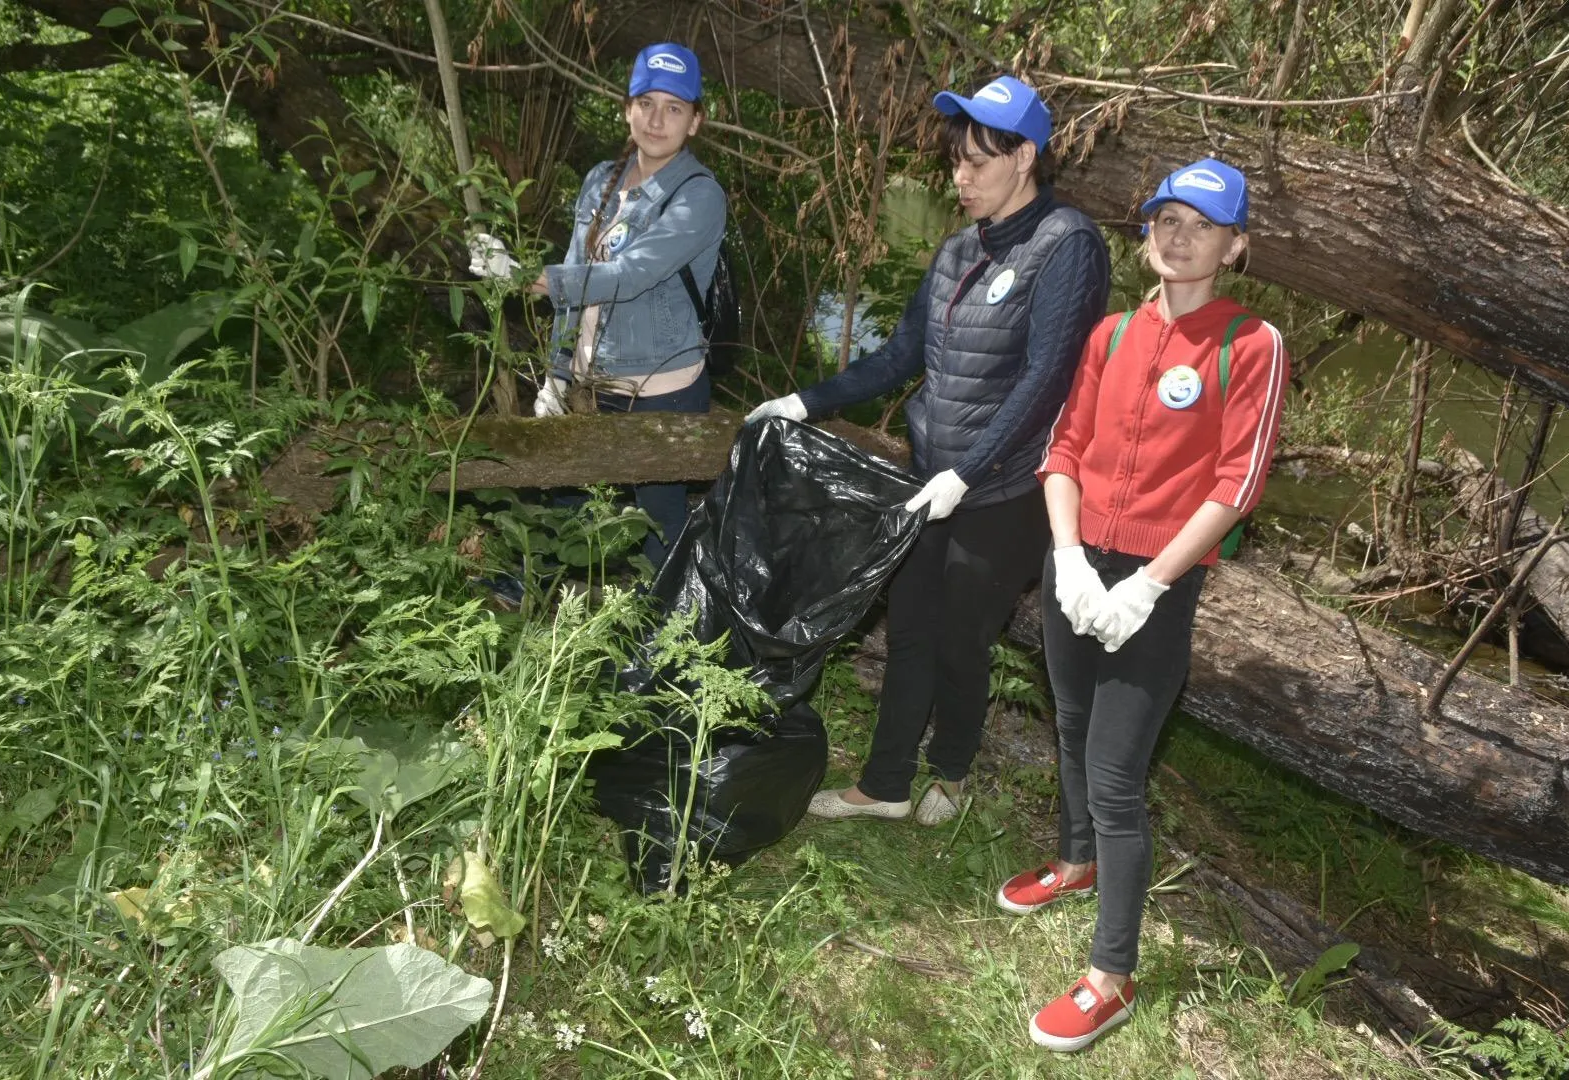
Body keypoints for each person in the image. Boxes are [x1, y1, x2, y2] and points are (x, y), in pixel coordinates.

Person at [746, 76, 1110, 826]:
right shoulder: (955, 253)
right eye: (955, 162)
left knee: (961, 634)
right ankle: (885, 783)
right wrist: (804, 400)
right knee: (908, 624)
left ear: (1026, 156)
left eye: (978, 160)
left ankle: (950, 770)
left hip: (1005, 489)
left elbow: (1047, 381)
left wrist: (968, 472)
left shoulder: (1067, 244)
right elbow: (899, 356)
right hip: (929, 479)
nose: (961, 177)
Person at [997, 158, 1288, 1053]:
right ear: (1146, 233)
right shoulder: (1112, 335)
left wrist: (1151, 583)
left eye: (1201, 224)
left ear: (1235, 246)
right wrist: (1069, 556)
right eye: (1165, 217)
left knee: (1118, 774)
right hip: (1080, 564)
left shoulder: (1252, 342)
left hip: (1156, 584)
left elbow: (1238, 485)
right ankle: (1077, 861)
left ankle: (1109, 976)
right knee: (1073, 726)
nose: (1178, 234)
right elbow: (1064, 450)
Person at [470, 42, 725, 567]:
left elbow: (628, 275)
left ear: (694, 122)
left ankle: (671, 641)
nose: (657, 120)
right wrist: (556, 377)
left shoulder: (699, 195)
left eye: (674, 108)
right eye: (646, 103)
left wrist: (524, 277)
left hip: (660, 390)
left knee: (657, 526)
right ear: (626, 108)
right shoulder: (599, 181)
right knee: (563, 501)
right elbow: (576, 281)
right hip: (591, 381)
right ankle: (544, 609)